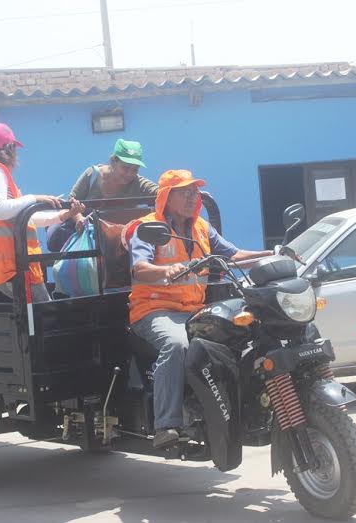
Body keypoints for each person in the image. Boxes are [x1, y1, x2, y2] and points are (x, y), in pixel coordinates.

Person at [127, 170, 273, 448]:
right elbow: (140, 268)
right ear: (167, 198)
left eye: (195, 192)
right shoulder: (147, 227)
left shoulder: (202, 228)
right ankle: (166, 424)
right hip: (155, 310)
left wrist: (269, 254)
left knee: (244, 336)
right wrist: (167, 270)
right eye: (186, 192)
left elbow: (234, 256)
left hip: (195, 309)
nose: (193, 198)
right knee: (177, 345)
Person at [0, 122, 84, 302]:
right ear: (9, 148)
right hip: (11, 264)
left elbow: (24, 217)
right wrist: (35, 198)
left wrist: (62, 216)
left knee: (35, 318)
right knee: (46, 316)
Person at [47, 138, 158, 252]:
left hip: (117, 243)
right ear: (113, 161)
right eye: (125, 168)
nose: (129, 174)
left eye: (135, 170)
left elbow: (161, 192)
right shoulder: (92, 174)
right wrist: (79, 219)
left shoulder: (139, 183)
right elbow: (72, 200)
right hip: (86, 240)